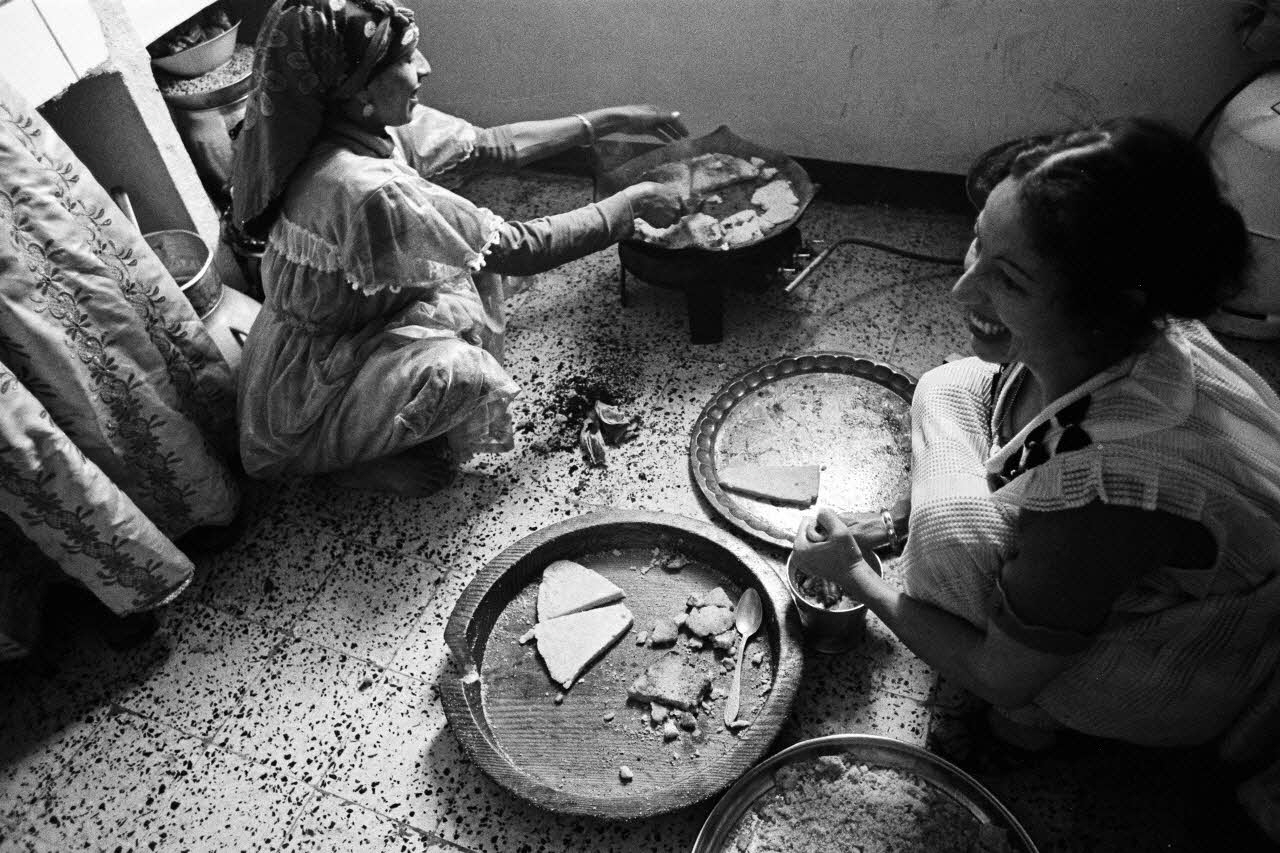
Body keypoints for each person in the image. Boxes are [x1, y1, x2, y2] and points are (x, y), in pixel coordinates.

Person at [790, 119, 1280, 773]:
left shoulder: (1100, 502)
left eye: (1011, 281)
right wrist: (889, 521)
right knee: (947, 386)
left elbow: (1000, 673)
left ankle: (1027, 729)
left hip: (1191, 658)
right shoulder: (1130, 327)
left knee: (949, 541)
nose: (963, 288)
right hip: (1106, 545)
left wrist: (856, 576)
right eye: (978, 241)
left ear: (1104, 307)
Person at [229, 0, 688, 494]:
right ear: (358, 88)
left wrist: (614, 118)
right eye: (407, 59)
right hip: (316, 368)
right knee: (459, 369)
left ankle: (372, 414)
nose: (425, 68)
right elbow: (517, 248)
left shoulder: (357, 121)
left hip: (358, 314)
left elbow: (492, 145)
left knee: (468, 262)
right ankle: (328, 458)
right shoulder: (359, 187)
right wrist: (630, 205)